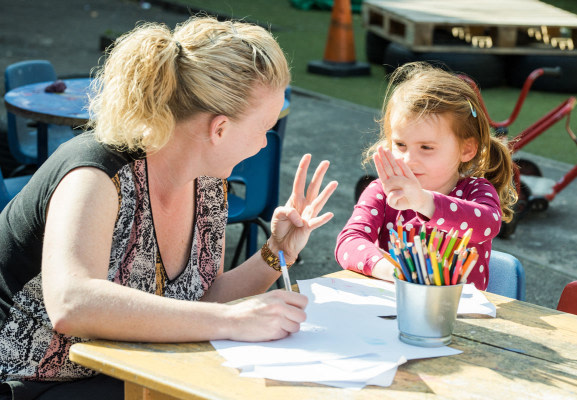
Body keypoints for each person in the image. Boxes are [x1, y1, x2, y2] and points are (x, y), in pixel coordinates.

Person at [0, 16, 337, 399]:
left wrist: (275, 254)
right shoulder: (94, 171)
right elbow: (71, 304)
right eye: (263, 128)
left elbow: (199, 306)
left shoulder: (208, 185)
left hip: (127, 371)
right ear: (220, 129)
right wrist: (231, 320)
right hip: (30, 383)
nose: (263, 144)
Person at [336, 62, 516, 290]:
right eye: (400, 144)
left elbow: (487, 224)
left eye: (426, 147)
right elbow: (349, 240)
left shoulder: (475, 191)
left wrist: (422, 201)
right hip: (395, 311)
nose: (408, 159)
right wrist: (390, 270)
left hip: (460, 317)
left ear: (466, 149)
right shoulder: (381, 191)